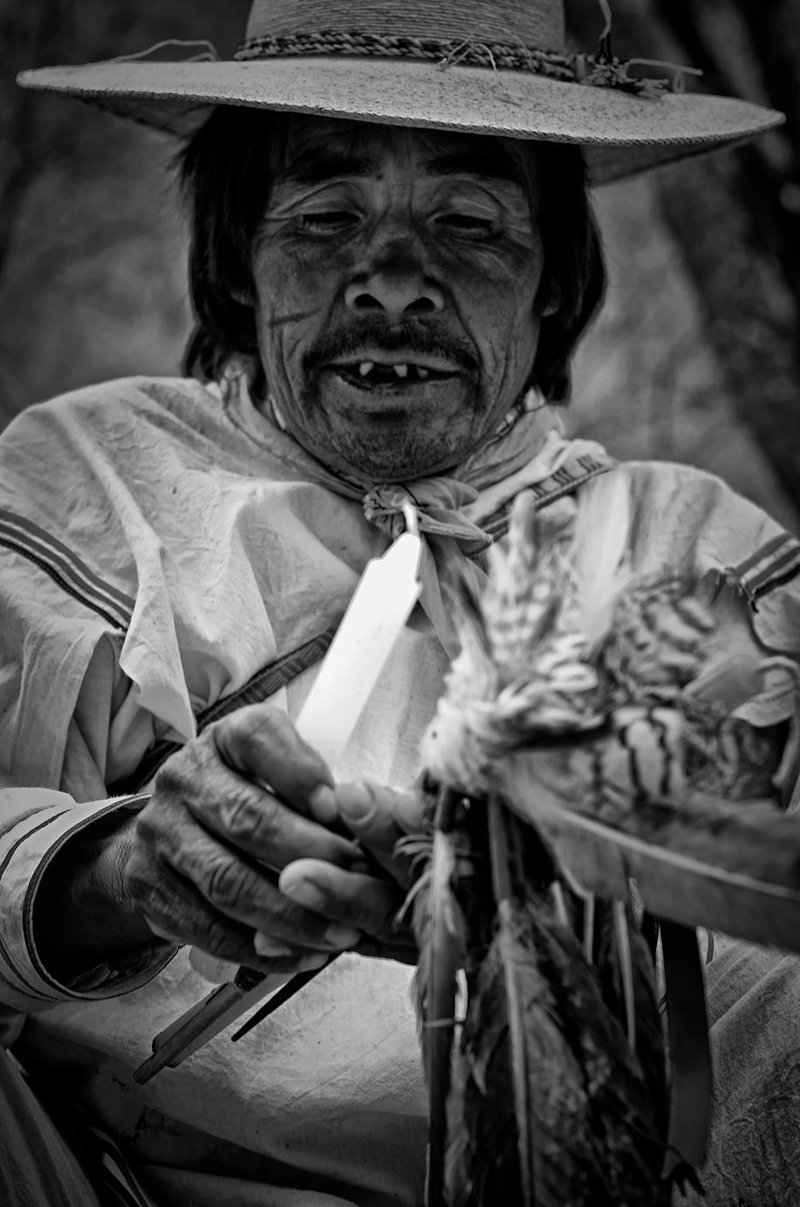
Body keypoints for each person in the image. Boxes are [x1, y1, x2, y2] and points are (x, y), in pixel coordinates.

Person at [1, 1, 798, 1204]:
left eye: (471, 224)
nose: (391, 284)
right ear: (234, 262)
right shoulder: (88, 480)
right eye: (323, 220)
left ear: (550, 285)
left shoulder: (694, 552)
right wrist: (120, 872)